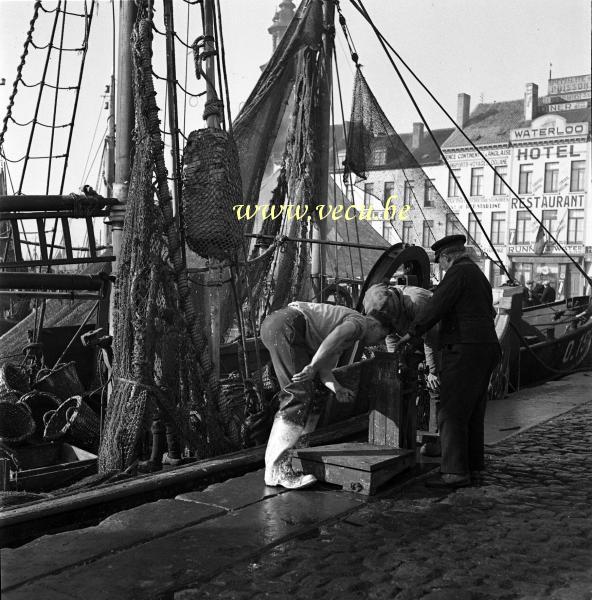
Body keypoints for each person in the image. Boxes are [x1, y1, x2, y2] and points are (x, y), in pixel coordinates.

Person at [395, 235, 501, 488]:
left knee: (451, 411)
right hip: (487, 347)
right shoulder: (478, 275)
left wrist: (411, 332)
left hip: (465, 349)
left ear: (447, 257)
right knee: (473, 410)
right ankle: (473, 466)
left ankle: (454, 472)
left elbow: (436, 306)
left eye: (440, 262)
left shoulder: (457, 274)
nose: (441, 268)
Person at [260, 301, 393, 489]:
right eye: (382, 336)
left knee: (306, 394)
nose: (380, 342)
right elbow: (337, 335)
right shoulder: (360, 323)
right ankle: (276, 470)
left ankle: (296, 456)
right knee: (298, 395)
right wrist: (312, 366)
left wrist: (337, 389)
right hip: (288, 325)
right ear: (374, 324)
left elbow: (325, 370)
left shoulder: (343, 337)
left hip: (276, 325)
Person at [362, 282, 441, 454]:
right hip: (417, 342)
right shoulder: (389, 311)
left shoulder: (416, 301)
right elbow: (391, 337)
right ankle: (405, 436)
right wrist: (396, 362)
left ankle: (438, 441)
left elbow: (431, 337)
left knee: (437, 388)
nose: (388, 316)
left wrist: (432, 371)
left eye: (388, 312)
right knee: (403, 381)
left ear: (391, 298)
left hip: (441, 341)